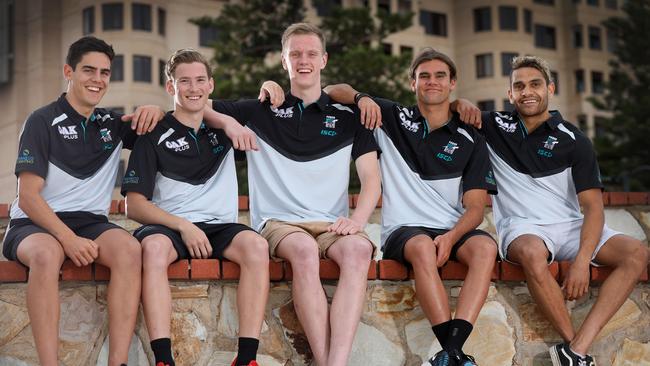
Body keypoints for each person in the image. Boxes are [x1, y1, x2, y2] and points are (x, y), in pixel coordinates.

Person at [205, 23, 381, 366]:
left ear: (324, 59)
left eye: (311, 54)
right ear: (284, 61)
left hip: (332, 224)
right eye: (295, 54)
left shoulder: (349, 117)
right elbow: (197, 104)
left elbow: (371, 180)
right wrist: (230, 124)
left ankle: (335, 363)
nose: (304, 61)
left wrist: (357, 220)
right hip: (279, 223)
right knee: (302, 251)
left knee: (360, 250)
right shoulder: (260, 109)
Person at [462, 55, 648, 366]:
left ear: (550, 88)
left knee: (637, 253)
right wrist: (462, 102)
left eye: (535, 84)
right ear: (510, 94)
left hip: (571, 227)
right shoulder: (494, 125)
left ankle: (575, 351)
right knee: (533, 254)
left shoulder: (575, 140)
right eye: (519, 86)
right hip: (523, 228)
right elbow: (452, 108)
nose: (527, 91)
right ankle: (573, 347)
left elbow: (593, 208)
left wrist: (581, 261)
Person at [324, 48, 498, 366]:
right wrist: (362, 97)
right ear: (412, 83)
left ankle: (452, 351)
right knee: (422, 248)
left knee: (486, 249)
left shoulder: (471, 138)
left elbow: (475, 209)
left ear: (453, 83)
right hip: (403, 230)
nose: (432, 82)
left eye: (440, 76)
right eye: (424, 76)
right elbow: (331, 90)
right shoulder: (392, 117)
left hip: (452, 228)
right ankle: (454, 353)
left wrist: (449, 237)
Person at [1, 36, 164, 366]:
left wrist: (156, 109)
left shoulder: (112, 125)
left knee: (131, 250)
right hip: (33, 223)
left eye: (105, 72)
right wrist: (68, 239)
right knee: (48, 254)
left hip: (91, 223)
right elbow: (28, 197)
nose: (97, 79)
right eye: (89, 70)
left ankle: (117, 362)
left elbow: (164, 124)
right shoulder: (41, 121)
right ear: (68, 72)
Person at [122, 49, 270, 366]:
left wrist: (271, 83)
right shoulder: (152, 132)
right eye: (184, 81)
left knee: (258, 247)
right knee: (154, 251)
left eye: (200, 80)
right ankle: (163, 359)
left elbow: (273, 101)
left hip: (219, 226)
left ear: (211, 85)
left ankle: (247, 359)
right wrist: (182, 226)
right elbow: (133, 205)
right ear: (170, 87)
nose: (193, 88)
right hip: (170, 226)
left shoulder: (223, 129)